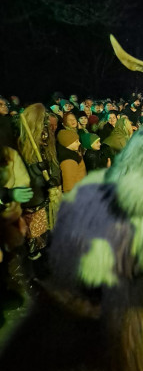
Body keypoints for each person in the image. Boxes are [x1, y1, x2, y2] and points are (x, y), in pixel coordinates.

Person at [18, 103, 62, 262]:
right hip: (33, 196)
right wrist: (36, 169)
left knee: (47, 228)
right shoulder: (21, 143)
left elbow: (53, 161)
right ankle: (35, 258)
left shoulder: (47, 136)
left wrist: (54, 179)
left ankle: (46, 253)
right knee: (35, 232)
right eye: (43, 118)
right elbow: (21, 172)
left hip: (46, 193)